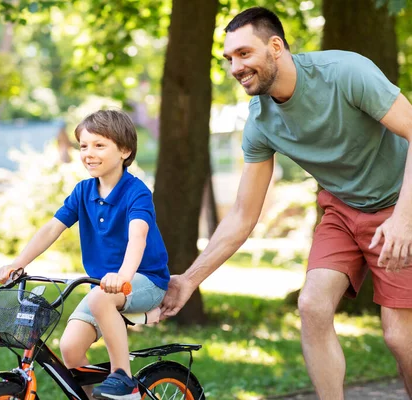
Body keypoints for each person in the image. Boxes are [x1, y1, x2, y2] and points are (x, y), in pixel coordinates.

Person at [160, 6, 412, 399]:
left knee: (399, 338)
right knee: (312, 305)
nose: (235, 67)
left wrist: (403, 220)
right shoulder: (260, 124)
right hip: (343, 210)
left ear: (275, 47)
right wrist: (189, 279)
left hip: (400, 202)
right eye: (229, 59)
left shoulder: (346, 73)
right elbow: (243, 215)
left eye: (244, 53)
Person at [0, 109, 170, 400]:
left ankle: (123, 380)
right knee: (71, 349)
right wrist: (18, 263)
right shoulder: (83, 192)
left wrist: (124, 277)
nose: (88, 153)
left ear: (125, 151)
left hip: (144, 280)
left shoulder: (136, 192)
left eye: (99, 145)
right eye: (83, 146)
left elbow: (137, 238)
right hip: (102, 287)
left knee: (100, 296)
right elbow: (53, 228)